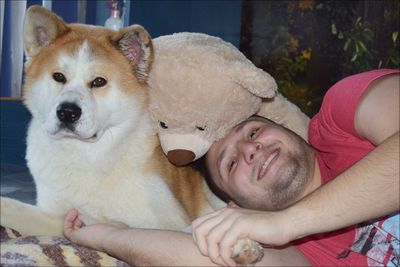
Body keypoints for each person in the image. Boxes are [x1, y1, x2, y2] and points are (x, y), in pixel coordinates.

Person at [64, 69, 399, 266]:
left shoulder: (341, 118)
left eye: (253, 132)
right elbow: (200, 257)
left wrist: (288, 222)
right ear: (237, 207)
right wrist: (107, 236)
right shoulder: (294, 252)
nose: (251, 150)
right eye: (232, 163)